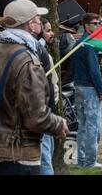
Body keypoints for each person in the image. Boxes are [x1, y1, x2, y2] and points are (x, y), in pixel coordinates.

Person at [0, 0, 68, 175]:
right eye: (38, 19)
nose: (39, 23)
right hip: (19, 154)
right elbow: (36, 117)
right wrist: (59, 124)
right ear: (31, 25)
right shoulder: (28, 62)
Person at [72, 13, 102, 168]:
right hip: (89, 89)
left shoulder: (79, 43)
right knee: (93, 126)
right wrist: (101, 91)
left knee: (83, 126)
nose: (98, 25)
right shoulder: (90, 45)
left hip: (78, 86)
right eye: (95, 23)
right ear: (86, 25)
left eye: (99, 22)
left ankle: (81, 160)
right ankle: (90, 161)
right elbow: (94, 71)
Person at [39, 18, 61, 175]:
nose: (52, 33)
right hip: (43, 112)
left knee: (49, 150)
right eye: (47, 30)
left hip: (49, 111)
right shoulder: (39, 53)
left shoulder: (44, 52)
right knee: (45, 156)